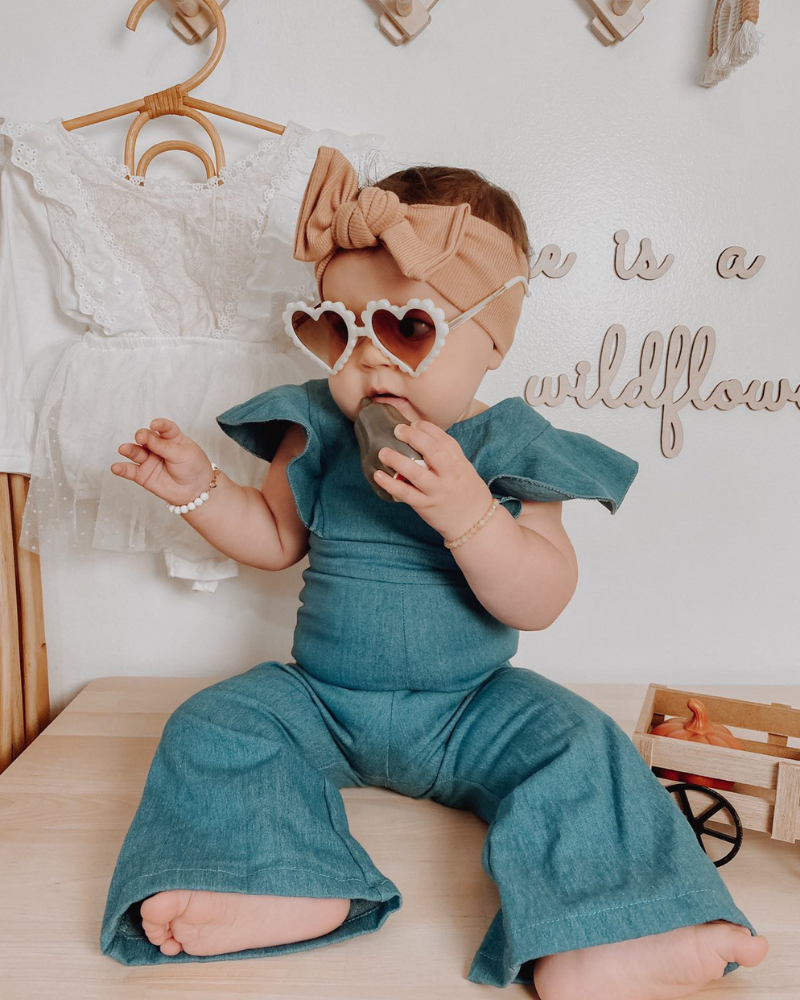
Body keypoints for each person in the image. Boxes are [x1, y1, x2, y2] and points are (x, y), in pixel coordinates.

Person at [100, 146, 769, 997]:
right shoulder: (318, 427)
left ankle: (608, 934)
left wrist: (469, 515)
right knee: (213, 723)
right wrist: (199, 493)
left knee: (582, 742)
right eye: (338, 331)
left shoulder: (511, 445)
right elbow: (275, 537)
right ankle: (280, 881)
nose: (368, 359)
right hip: (322, 701)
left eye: (407, 328)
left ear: (493, 342)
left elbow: (542, 598)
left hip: (473, 708)